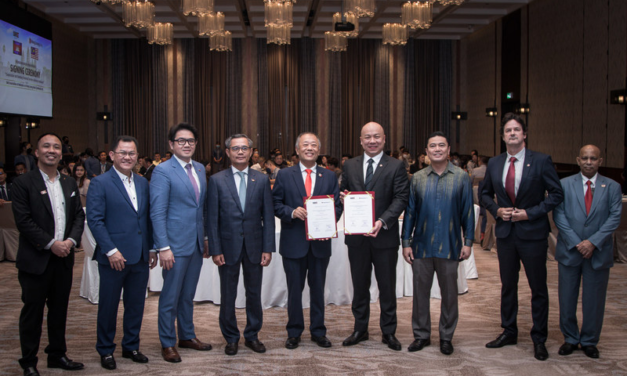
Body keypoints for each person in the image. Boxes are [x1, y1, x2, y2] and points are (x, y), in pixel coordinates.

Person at [481, 113, 563, 361]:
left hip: (533, 234)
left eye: (517, 129)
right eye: (508, 130)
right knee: (508, 286)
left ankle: (539, 338)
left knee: (537, 288)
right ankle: (509, 330)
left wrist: (530, 213)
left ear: (524, 134)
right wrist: (496, 210)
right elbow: (484, 194)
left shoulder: (541, 161)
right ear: (503, 136)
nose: (513, 133)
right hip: (506, 234)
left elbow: (556, 194)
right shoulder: (494, 163)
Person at [11, 133, 85, 376]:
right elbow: (23, 221)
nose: (51, 150)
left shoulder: (69, 182)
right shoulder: (23, 183)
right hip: (35, 260)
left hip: (63, 259)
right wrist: (51, 243)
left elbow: (78, 217)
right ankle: (29, 362)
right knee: (32, 312)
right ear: (37, 152)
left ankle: (57, 354)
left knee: (59, 310)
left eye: (56, 147)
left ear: (61, 154)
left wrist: (71, 241)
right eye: (46, 146)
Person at [86, 136, 157, 370]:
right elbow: (95, 221)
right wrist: (111, 250)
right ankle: (105, 350)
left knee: (136, 305)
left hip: (139, 256)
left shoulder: (143, 183)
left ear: (137, 157)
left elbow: (146, 219)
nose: (128, 157)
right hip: (113, 258)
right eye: (123, 153)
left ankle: (131, 346)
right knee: (108, 306)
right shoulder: (100, 183)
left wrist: (152, 248)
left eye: (132, 153)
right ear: (112, 155)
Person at [401, 132, 474, 356]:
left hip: (450, 245)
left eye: (441, 145)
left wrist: (468, 241)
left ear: (448, 149)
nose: (437, 149)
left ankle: (446, 337)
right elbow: (410, 212)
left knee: (449, 295)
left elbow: (468, 212)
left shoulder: (461, 177)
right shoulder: (418, 178)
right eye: (432, 146)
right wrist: (405, 242)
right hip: (421, 245)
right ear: (426, 151)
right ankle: (421, 335)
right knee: (420, 294)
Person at [340, 122, 409, 351]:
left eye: (376, 136)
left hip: (384, 237)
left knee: (387, 286)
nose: (372, 140)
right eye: (367, 137)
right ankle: (360, 329)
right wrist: (344, 199)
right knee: (360, 285)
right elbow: (345, 192)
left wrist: (383, 221)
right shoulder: (349, 165)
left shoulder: (396, 166)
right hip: (357, 238)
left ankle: (388, 332)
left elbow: (400, 198)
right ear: (360, 140)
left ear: (384, 139)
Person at [272, 132, 342, 350]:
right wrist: (292, 212)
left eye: (314, 145)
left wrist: (329, 218)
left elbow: (337, 207)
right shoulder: (284, 175)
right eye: (305, 145)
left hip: (320, 243)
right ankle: (294, 332)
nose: (309, 148)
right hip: (294, 242)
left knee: (318, 289)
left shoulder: (329, 176)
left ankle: (318, 331)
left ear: (318, 150)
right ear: (297, 149)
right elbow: (275, 203)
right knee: (294, 290)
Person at [207, 134, 275, 356]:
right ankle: (231, 338)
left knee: (254, 294)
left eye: (244, 148)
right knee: (228, 295)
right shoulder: (217, 180)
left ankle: (252, 335)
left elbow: (268, 217)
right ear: (227, 152)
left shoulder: (261, 179)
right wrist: (215, 249)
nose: (240, 152)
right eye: (235, 148)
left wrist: (268, 248)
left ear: (251, 151)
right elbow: (212, 219)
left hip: (255, 247)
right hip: (227, 248)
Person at [552, 145, 622, 359]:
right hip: (570, 251)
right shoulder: (563, 185)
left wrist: (592, 242)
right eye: (585, 158)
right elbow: (559, 216)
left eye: (593, 158)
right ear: (578, 160)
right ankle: (570, 338)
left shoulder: (612, 186)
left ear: (600, 161)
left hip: (598, 252)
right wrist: (577, 243)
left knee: (594, 300)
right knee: (567, 298)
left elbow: (614, 218)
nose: (589, 162)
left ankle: (590, 340)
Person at [150, 123, 211, 363]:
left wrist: (205, 238)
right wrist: (162, 246)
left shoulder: (199, 168)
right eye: (181, 141)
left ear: (196, 143)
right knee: (170, 296)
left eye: (191, 141)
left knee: (188, 295)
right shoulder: (163, 171)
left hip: (195, 243)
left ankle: (187, 335)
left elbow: (201, 208)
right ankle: (167, 342)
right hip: (173, 246)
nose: (186, 144)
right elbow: (157, 211)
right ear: (171, 144)